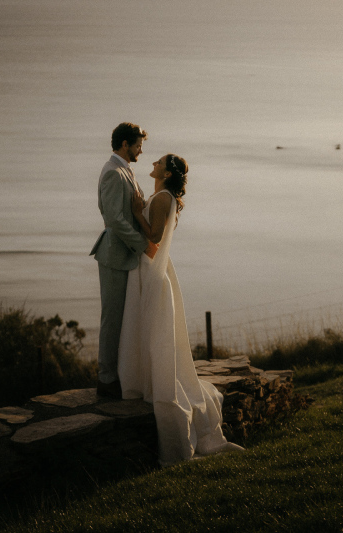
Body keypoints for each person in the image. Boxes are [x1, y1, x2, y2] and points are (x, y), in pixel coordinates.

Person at [118, 154, 244, 465]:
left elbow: (155, 238)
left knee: (153, 331)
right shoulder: (164, 196)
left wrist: (136, 212)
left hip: (150, 267)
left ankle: (156, 390)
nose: (154, 162)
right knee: (152, 331)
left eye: (159, 161)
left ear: (168, 172)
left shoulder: (162, 196)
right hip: (150, 269)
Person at [90, 122, 156, 399]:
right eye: (138, 144)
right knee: (113, 318)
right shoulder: (114, 174)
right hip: (116, 255)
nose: (142, 149)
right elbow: (114, 219)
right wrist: (142, 244)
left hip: (123, 255)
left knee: (124, 317)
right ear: (125, 144)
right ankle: (107, 379)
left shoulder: (124, 171)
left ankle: (122, 373)